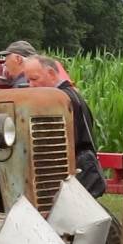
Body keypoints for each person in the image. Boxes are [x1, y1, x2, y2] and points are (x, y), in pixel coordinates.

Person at [24, 54, 107, 196]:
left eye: (34, 79)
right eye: (28, 81)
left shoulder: (62, 100)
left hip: (76, 167)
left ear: (50, 73)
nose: (30, 85)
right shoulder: (70, 94)